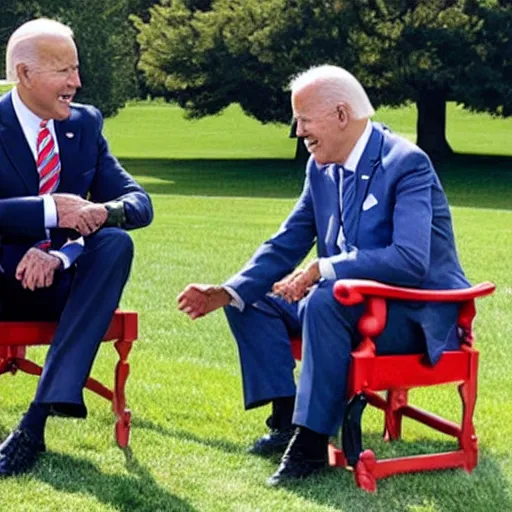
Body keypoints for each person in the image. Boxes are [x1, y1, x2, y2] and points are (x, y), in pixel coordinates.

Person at [178, 64, 469, 485]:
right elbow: (288, 241)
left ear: (340, 115)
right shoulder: (321, 167)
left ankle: (311, 445)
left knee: (323, 297)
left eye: (304, 119)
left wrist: (322, 268)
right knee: (253, 297)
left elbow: (410, 259)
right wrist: (226, 291)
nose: (298, 131)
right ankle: (287, 418)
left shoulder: (407, 164)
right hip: (342, 307)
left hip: (410, 316)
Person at [0, 18, 153, 476]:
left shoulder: (85, 125)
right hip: (3, 280)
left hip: (65, 283)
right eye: (64, 71)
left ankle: (36, 422)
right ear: (24, 74)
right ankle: (51, 404)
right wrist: (48, 213)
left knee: (115, 243)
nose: (77, 82)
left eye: (77, 68)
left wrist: (68, 244)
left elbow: (139, 203)